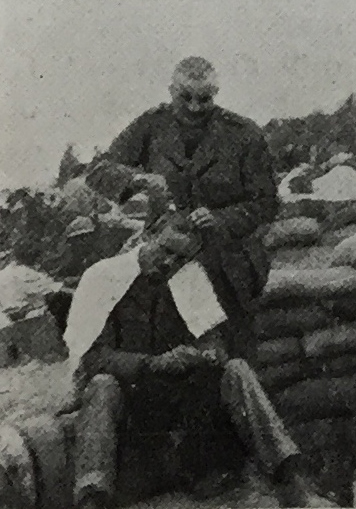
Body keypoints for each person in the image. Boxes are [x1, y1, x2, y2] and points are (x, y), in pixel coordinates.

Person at [69, 215, 335, 509]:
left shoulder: (190, 279)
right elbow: (93, 357)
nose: (169, 262)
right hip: (130, 396)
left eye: (181, 257)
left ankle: (293, 479)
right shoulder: (104, 277)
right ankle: (92, 497)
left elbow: (214, 341)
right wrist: (152, 363)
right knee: (101, 385)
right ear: (148, 236)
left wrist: (204, 354)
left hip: (178, 396)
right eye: (165, 250)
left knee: (236, 370)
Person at [89, 56, 278, 360]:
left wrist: (220, 218)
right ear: (171, 91)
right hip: (164, 245)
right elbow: (98, 171)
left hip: (229, 252)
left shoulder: (243, 134)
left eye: (204, 99)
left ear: (215, 94)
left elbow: (266, 203)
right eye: (185, 97)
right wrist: (137, 179)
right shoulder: (152, 125)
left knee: (215, 325)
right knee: (117, 290)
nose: (194, 107)